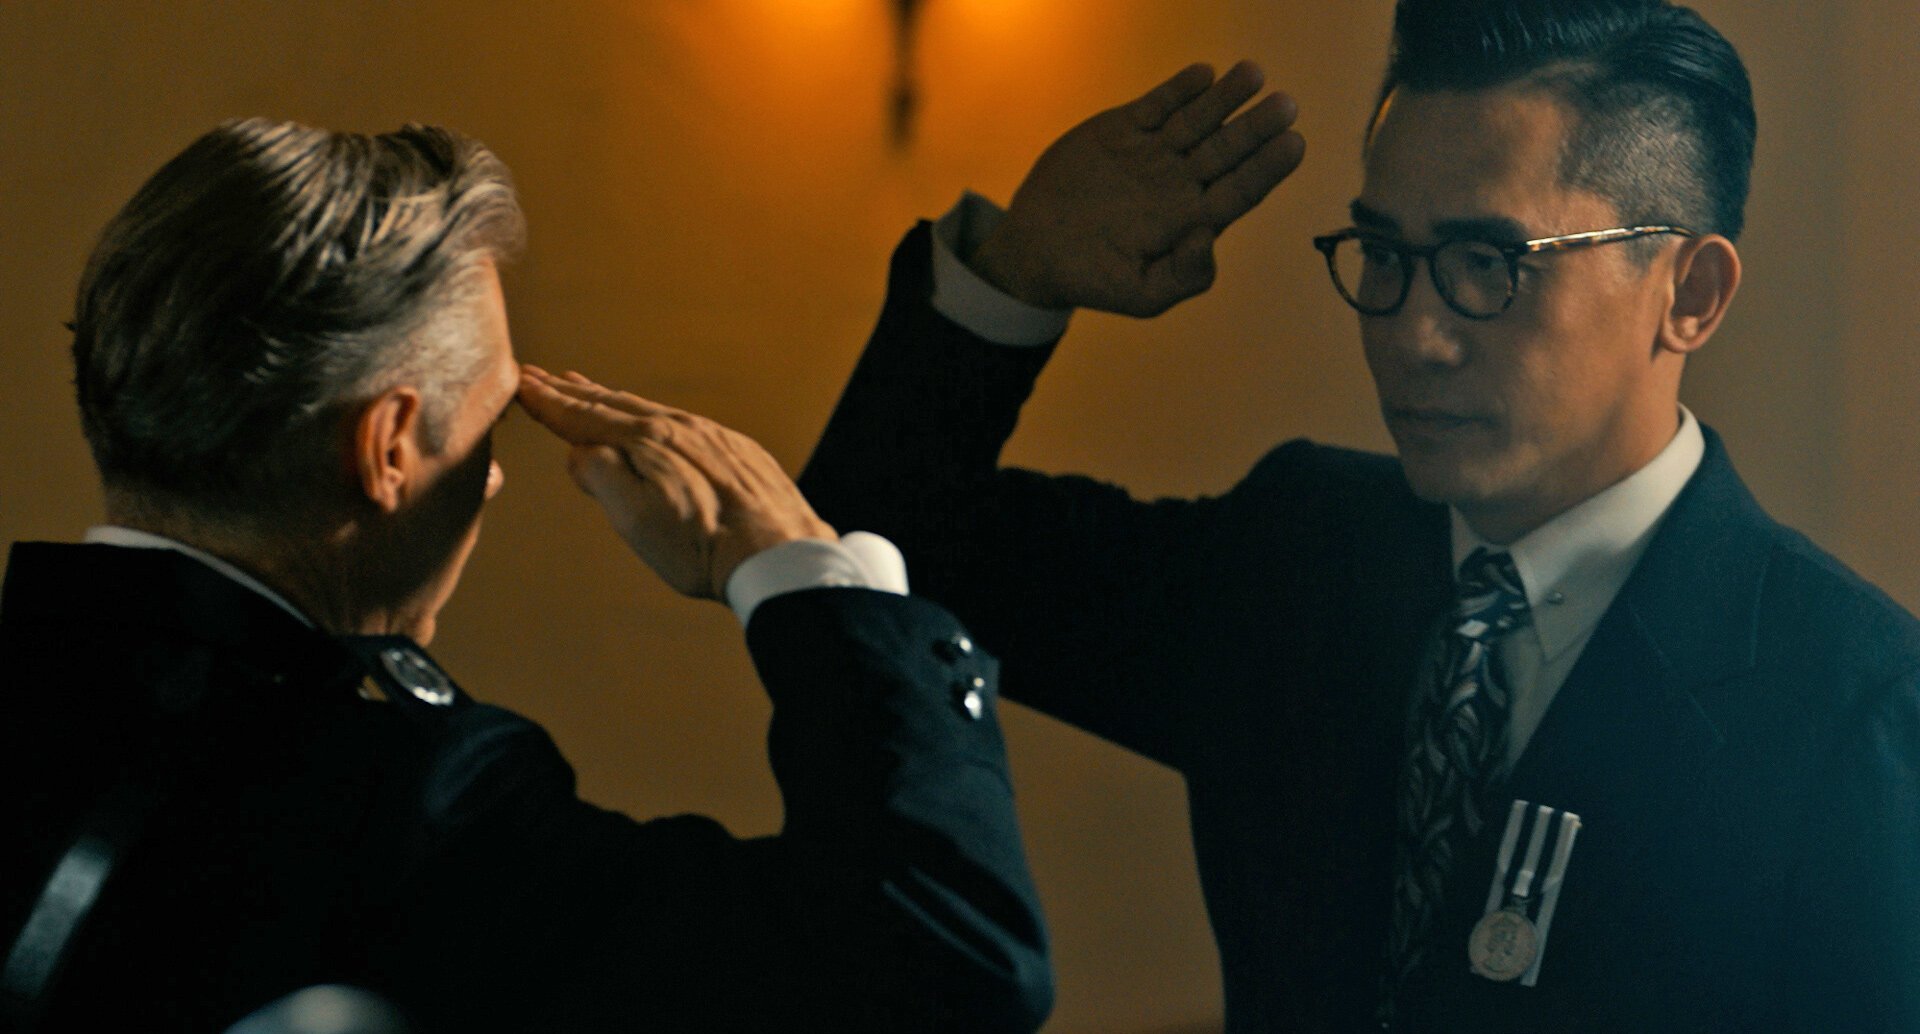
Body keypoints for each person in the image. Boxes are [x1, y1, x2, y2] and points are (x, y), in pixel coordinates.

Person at [800, 1, 1920, 1030]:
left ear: (1690, 294)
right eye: (1386, 254)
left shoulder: (1852, 704)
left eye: (1489, 262)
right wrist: (1017, 276)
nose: (1414, 334)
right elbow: (873, 542)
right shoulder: (1297, 556)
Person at [0, 118, 1052, 1033]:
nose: (496, 477)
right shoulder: (407, 806)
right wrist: (803, 578)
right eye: (492, 422)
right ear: (390, 446)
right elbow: (947, 960)